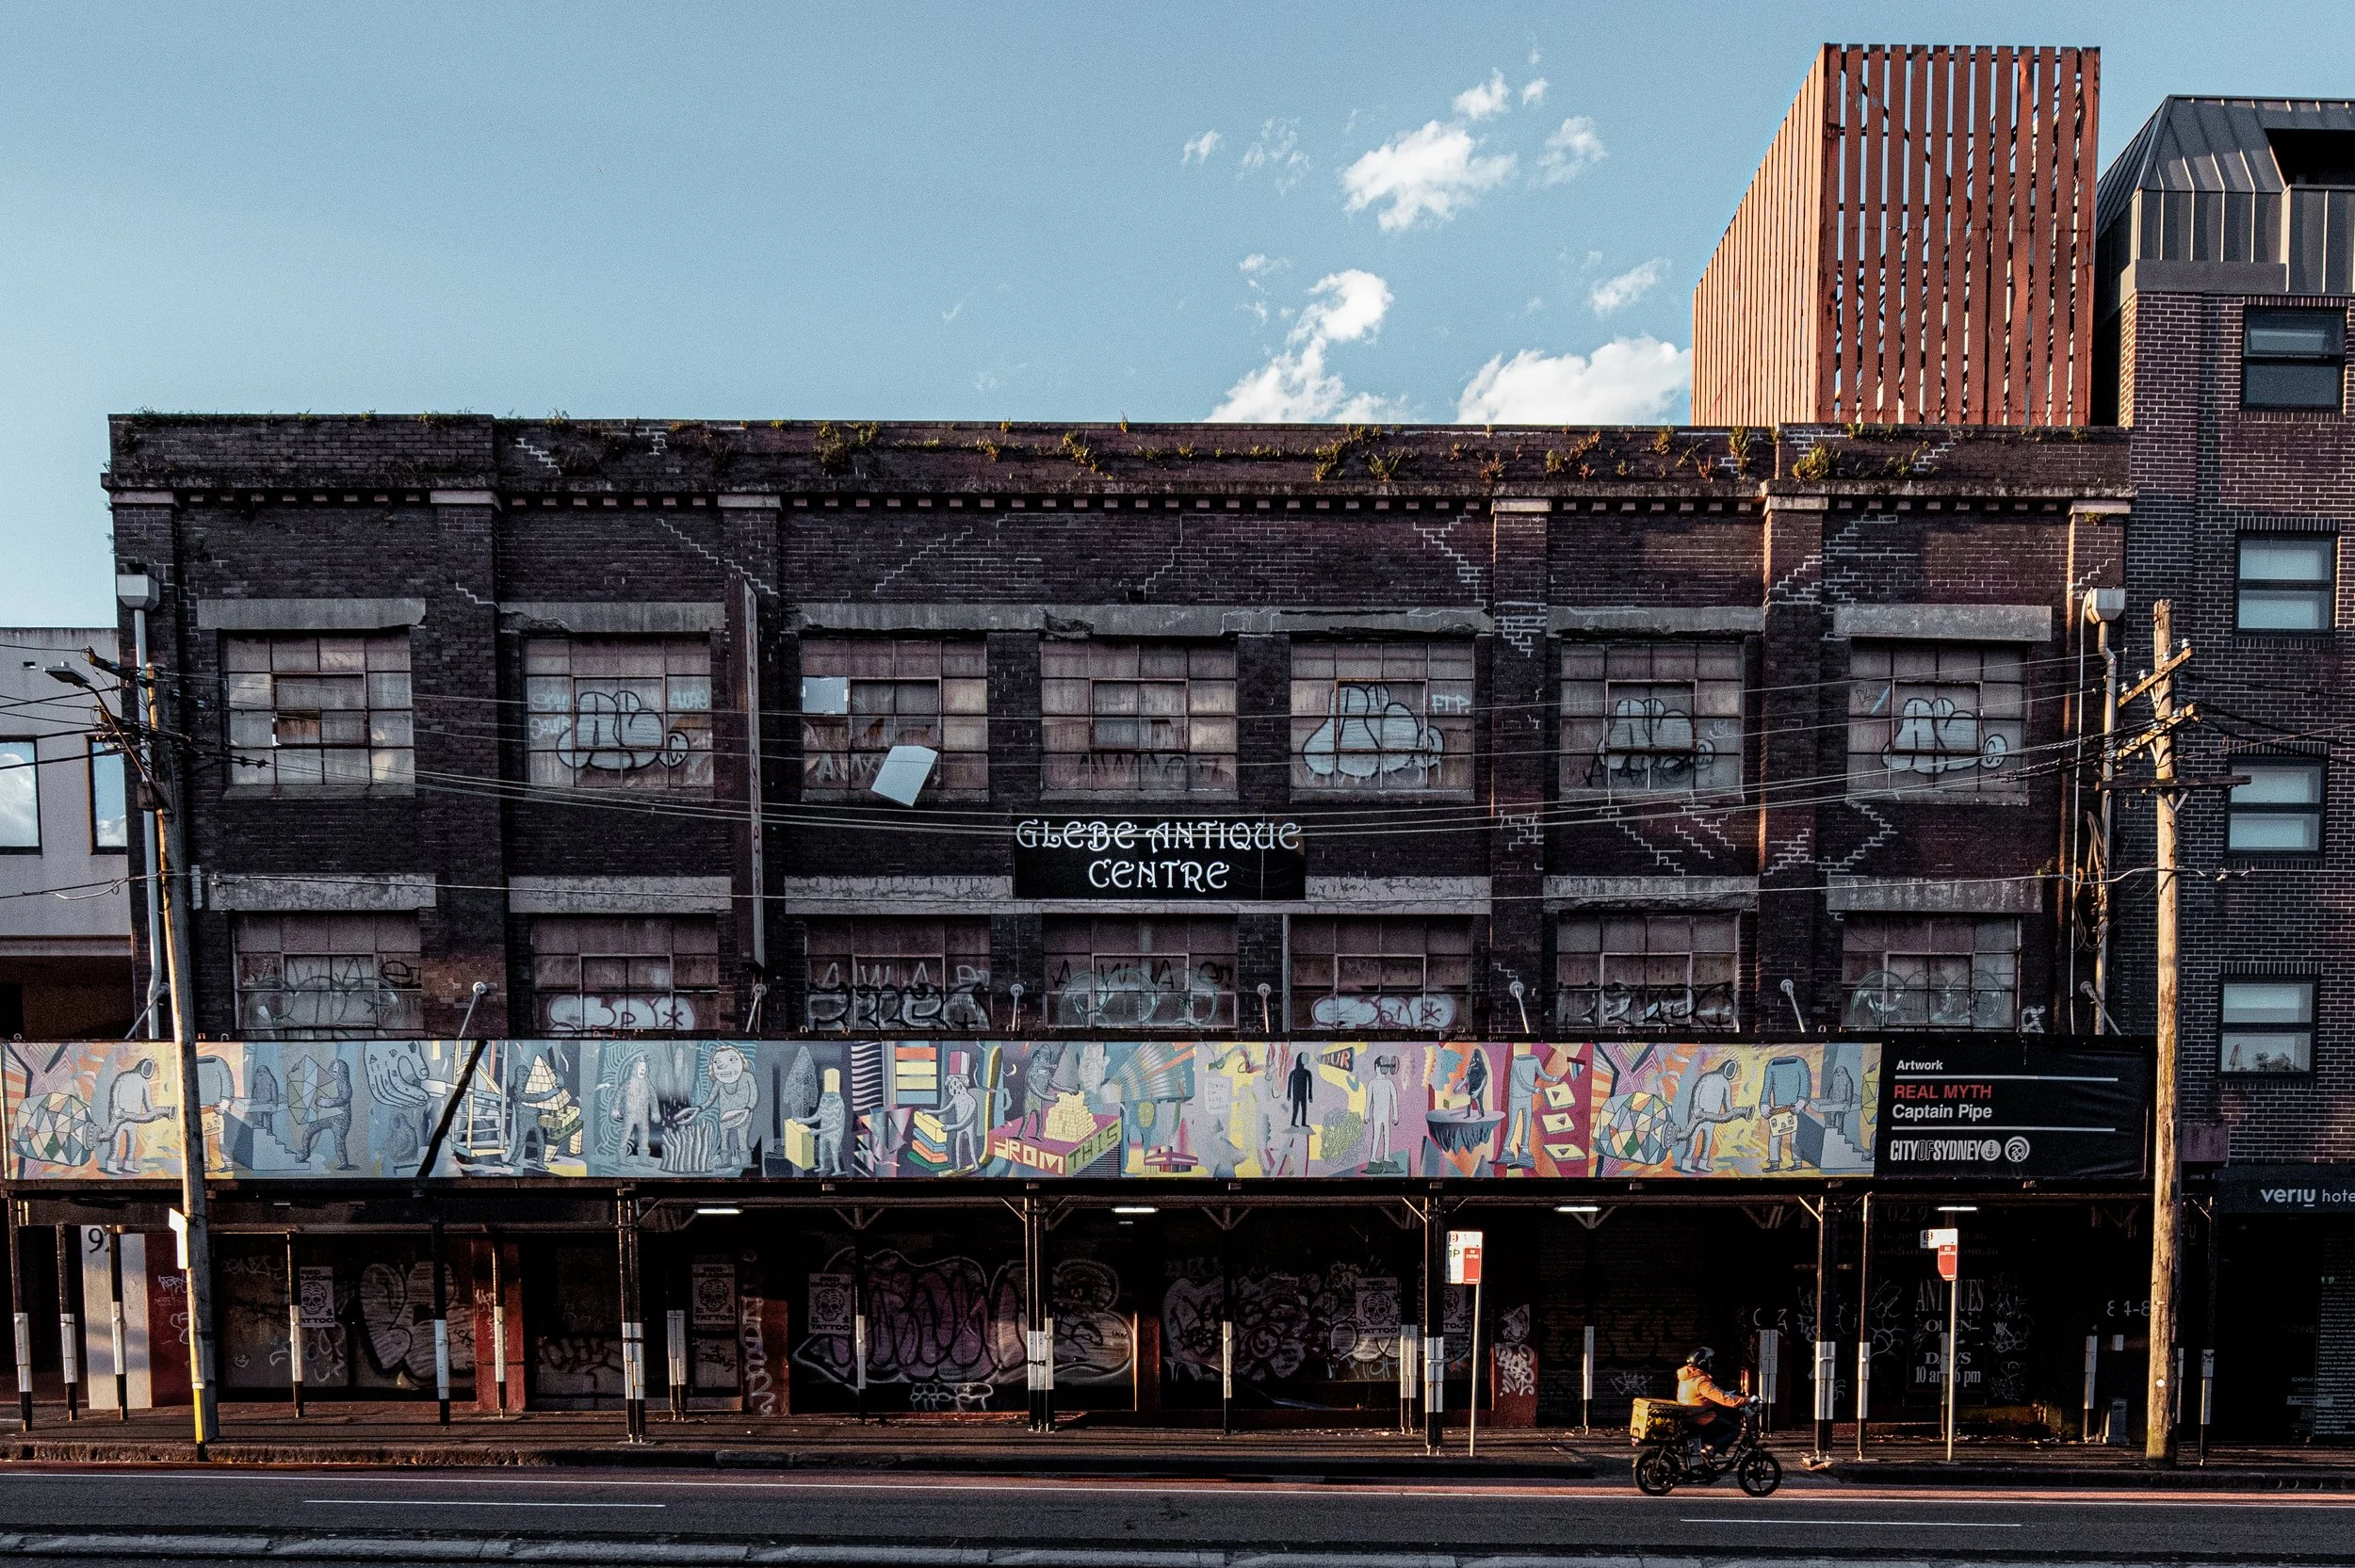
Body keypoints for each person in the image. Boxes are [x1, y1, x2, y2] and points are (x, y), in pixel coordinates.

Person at [1676, 1346, 1746, 1455]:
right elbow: (1723, 1399)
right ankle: (1710, 1450)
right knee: (1734, 1429)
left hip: (1690, 1418)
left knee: (1719, 1418)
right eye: (1709, 1361)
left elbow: (1715, 1391)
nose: (1711, 1364)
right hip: (1701, 1419)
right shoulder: (1701, 1381)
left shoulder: (1687, 1378)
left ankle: (1706, 1452)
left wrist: (1728, 1393)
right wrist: (1746, 1401)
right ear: (1703, 1363)